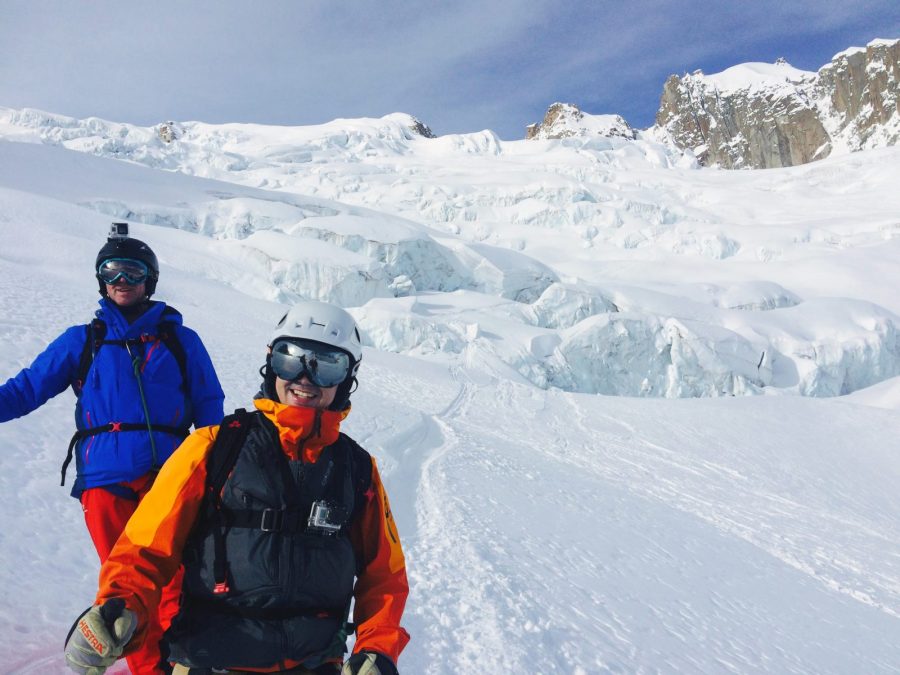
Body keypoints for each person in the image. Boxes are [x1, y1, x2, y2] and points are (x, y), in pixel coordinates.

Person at [64, 300, 410, 675]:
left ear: (347, 378)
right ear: (270, 361)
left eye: (327, 365)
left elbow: (384, 575)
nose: (305, 377)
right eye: (290, 358)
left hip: (315, 663)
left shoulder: (357, 468)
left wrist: (377, 646)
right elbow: (144, 548)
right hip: (209, 661)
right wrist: (120, 604)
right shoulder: (214, 447)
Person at [0, 223, 225, 674]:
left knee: (178, 579)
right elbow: (26, 390)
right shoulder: (83, 341)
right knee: (126, 586)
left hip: (171, 479)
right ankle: (150, 668)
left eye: (133, 272)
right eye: (112, 272)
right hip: (105, 479)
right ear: (100, 279)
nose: (122, 281)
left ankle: (184, 661)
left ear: (150, 280)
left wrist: (217, 473)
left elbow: (209, 408)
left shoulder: (182, 341)